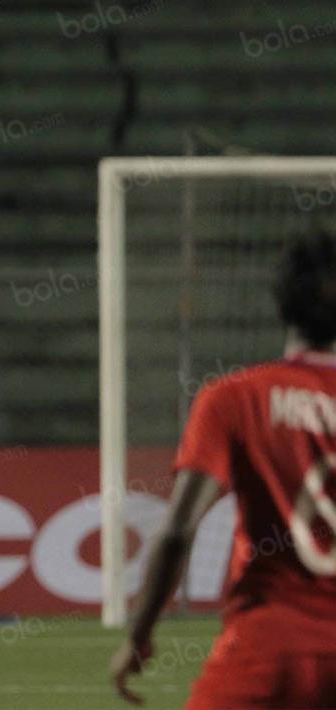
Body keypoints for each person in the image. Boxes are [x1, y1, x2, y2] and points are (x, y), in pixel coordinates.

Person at [110, 229, 336, 708]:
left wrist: (140, 634)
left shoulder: (235, 399)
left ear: (281, 303)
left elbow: (176, 533)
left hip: (269, 648)